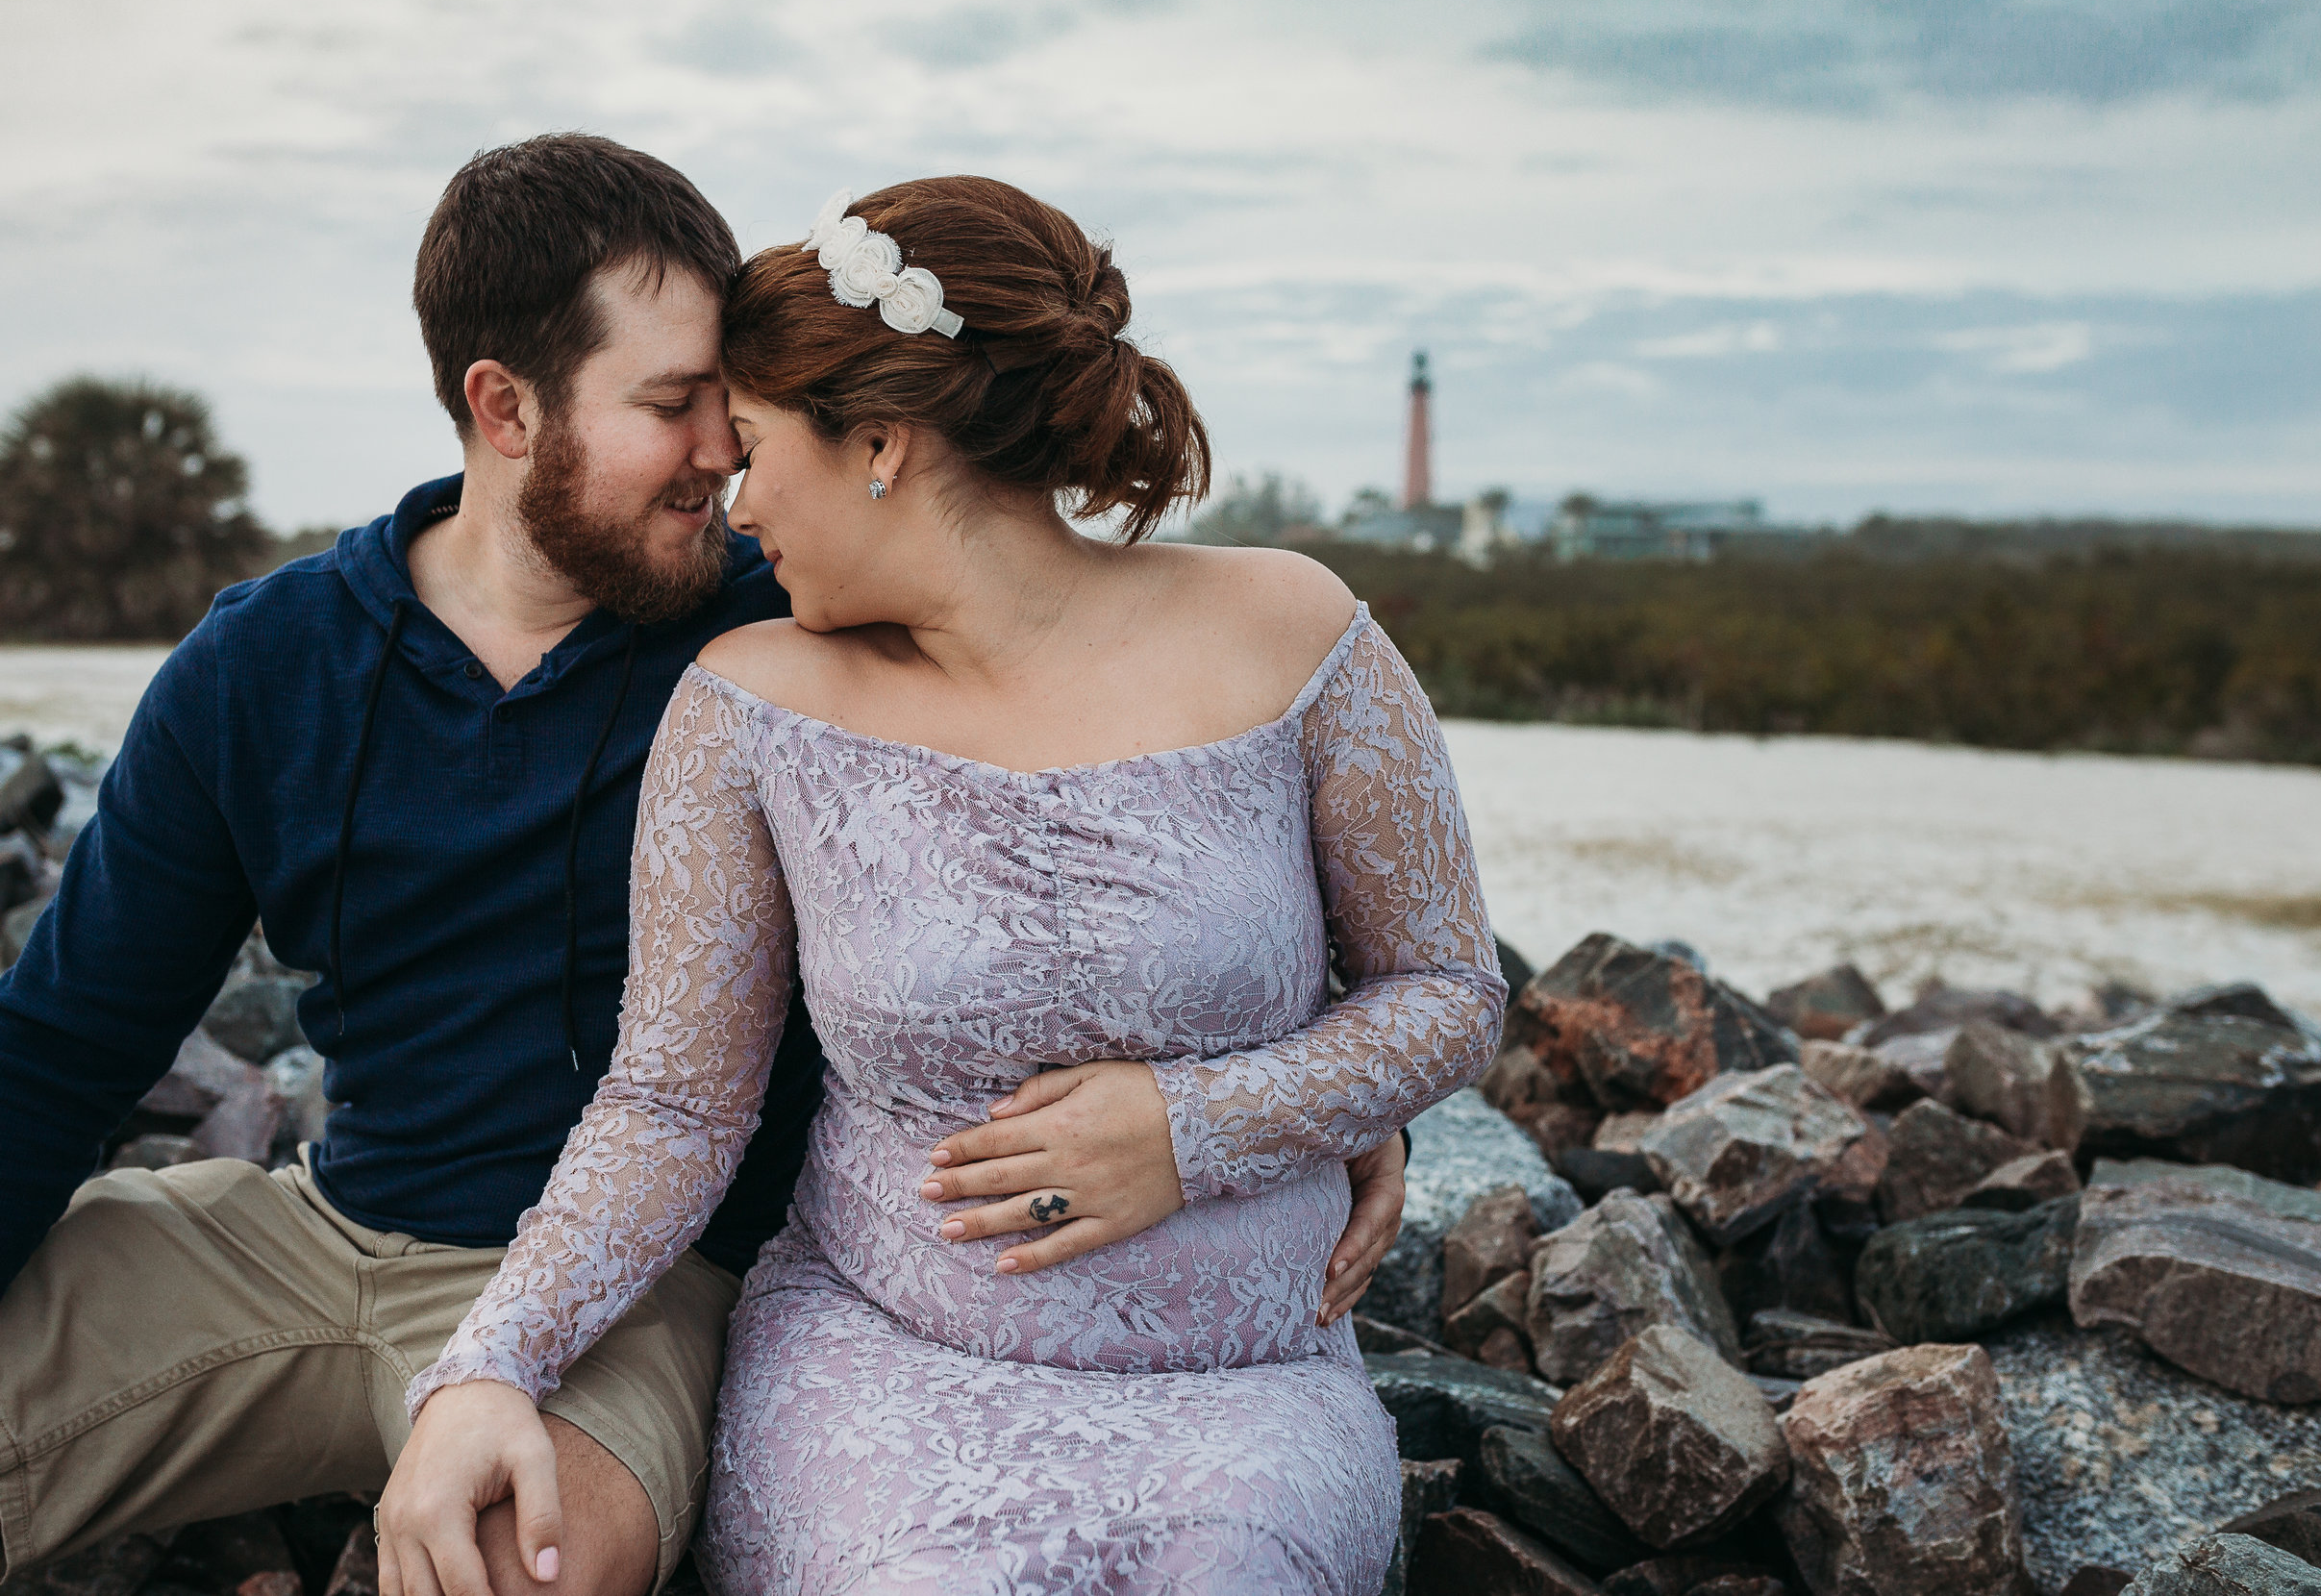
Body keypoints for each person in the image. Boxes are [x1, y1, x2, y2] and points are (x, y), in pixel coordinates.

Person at [0, 137, 1408, 1596]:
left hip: (642, 1292)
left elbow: (1117, 768)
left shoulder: (808, 619)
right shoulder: (263, 666)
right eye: (674, 407)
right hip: (315, 1226)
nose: (727, 458)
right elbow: (61, 1049)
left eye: (731, 408)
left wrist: (1293, 1094)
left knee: (515, 1566)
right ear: (505, 408)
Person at [390, 177, 1503, 1593]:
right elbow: (673, 1099)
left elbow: (1451, 993)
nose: (734, 505)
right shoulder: (747, 699)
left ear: (879, 445)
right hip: (885, 1367)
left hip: (1246, 1389)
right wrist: (490, 1365)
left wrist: (1201, 1124)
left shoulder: (1293, 631)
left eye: (756, 450)